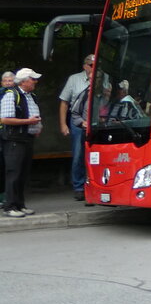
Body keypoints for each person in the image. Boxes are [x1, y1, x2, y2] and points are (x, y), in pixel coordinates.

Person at [2, 68, 44, 218]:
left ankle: (20, 204)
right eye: (33, 79)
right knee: (13, 173)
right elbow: (5, 119)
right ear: (24, 81)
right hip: (15, 140)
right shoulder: (11, 95)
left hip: (27, 138)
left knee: (23, 173)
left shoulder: (31, 95)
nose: (35, 81)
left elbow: (34, 115)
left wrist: (37, 127)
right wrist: (29, 122)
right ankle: (10, 206)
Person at [58, 54, 96, 201]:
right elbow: (64, 102)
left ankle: (94, 184)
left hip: (97, 123)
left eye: (96, 64)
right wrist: (63, 124)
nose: (94, 68)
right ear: (85, 66)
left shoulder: (103, 78)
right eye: (91, 65)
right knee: (79, 155)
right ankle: (79, 187)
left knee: (95, 156)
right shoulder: (74, 79)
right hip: (78, 122)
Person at [0, 70, 12, 205]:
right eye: (6, 81)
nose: (8, 83)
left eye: (10, 81)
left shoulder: (18, 95)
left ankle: (7, 195)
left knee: (9, 165)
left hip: (11, 135)